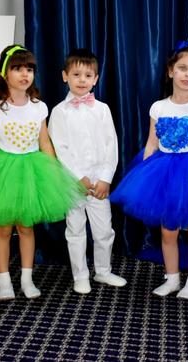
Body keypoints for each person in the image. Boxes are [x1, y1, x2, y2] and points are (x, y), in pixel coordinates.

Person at [0, 45, 82, 300]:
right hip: (4, 172)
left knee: (26, 228)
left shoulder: (39, 107)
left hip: (31, 171)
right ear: (5, 73)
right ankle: (3, 281)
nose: (25, 74)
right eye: (18, 69)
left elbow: (44, 142)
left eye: (29, 69)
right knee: (3, 229)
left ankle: (26, 279)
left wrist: (54, 174)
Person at [110, 39, 188, 300]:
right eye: (182, 68)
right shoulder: (158, 107)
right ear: (170, 71)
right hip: (163, 171)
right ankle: (172, 278)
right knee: (168, 231)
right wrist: (143, 174)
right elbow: (151, 142)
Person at [48, 49, 127, 294]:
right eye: (76, 74)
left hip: (99, 183)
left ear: (96, 79)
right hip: (73, 183)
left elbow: (111, 145)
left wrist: (105, 178)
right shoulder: (59, 112)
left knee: (104, 230)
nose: (82, 80)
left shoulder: (102, 109)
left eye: (88, 75)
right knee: (75, 230)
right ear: (65, 76)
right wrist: (77, 177)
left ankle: (103, 271)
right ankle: (80, 275)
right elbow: (60, 148)